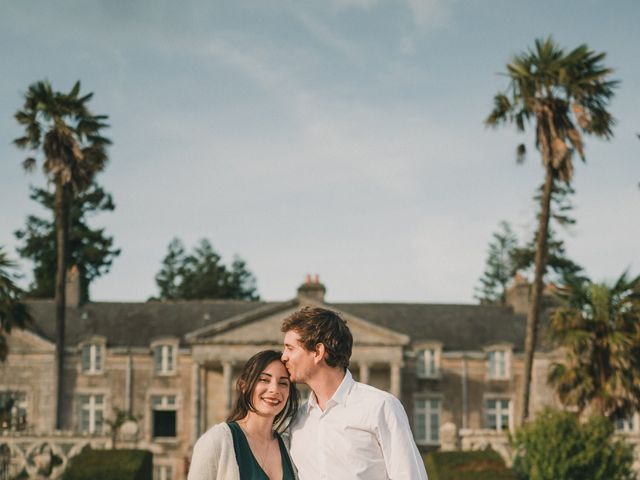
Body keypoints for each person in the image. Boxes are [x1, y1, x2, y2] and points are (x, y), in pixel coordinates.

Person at [281, 306, 429, 480]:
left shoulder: (380, 406)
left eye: (290, 348)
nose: (283, 357)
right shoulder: (297, 420)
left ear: (318, 352)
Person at [188, 350, 299, 480]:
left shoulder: (290, 447)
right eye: (264, 379)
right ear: (243, 386)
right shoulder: (217, 440)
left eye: (283, 383)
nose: (274, 389)